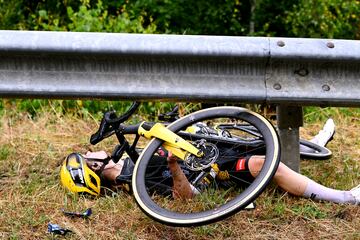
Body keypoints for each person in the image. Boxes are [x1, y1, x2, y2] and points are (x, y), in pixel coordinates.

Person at [60, 119, 360, 205]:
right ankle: (345, 198)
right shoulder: (135, 183)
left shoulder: (126, 154)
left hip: (208, 147)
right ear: (94, 169)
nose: (90, 152)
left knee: (258, 135)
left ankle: (312, 146)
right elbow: (188, 197)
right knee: (269, 166)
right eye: (87, 157)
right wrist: (174, 168)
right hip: (213, 172)